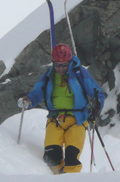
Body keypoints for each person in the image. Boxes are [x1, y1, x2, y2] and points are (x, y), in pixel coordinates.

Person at [18, 43, 105, 174]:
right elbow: (38, 92)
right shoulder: (49, 75)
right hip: (55, 118)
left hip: (77, 120)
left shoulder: (79, 73)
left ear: (70, 61)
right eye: (57, 65)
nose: (60, 68)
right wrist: (28, 100)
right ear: (53, 63)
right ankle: (59, 179)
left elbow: (97, 92)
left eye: (64, 65)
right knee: (51, 157)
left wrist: (97, 106)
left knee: (72, 157)